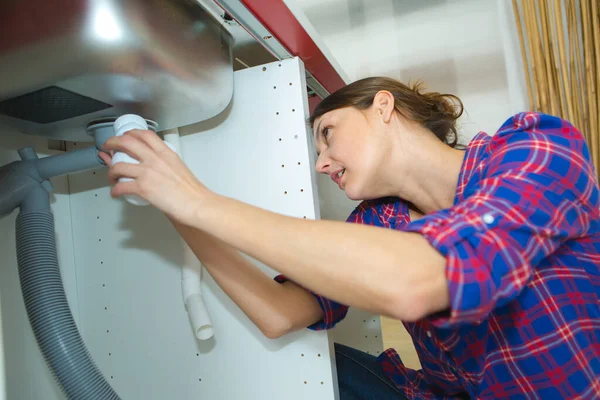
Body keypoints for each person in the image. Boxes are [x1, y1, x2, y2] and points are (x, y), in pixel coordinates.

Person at [99, 77, 600, 399]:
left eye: (328, 133)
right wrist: (178, 207)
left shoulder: (536, 150)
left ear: (383, 106)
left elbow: (419, 276)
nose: (320, 163)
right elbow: (280, 313)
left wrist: (200, 200)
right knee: (301, 369)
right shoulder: (382, 219)